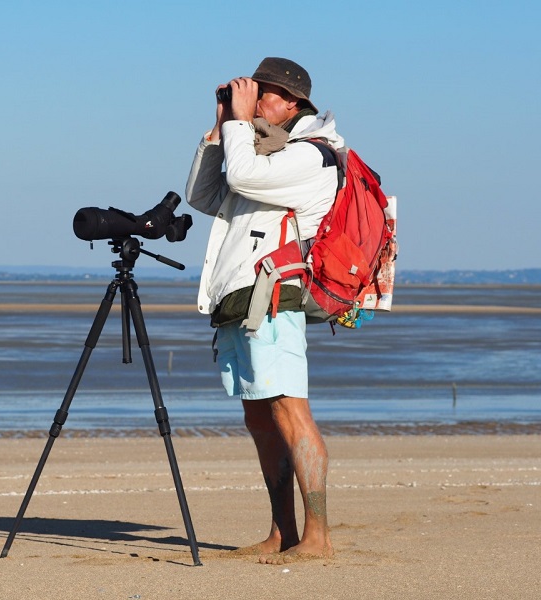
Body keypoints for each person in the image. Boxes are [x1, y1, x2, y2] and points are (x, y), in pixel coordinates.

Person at [185, 57, 341, 562]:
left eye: (263, 93)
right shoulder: (258, 149)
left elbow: (244, 177)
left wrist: (237, 123)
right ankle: (283, 531)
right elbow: (202, 196)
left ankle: (318, 536)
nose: (252, 102)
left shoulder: (312, 155)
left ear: (293, 103)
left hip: (274, 296)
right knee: (259, 414)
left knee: (290, 410)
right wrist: (219, 128)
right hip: (240, 295)